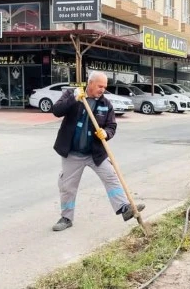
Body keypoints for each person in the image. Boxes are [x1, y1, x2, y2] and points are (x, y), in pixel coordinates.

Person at [51, 71, 145, 231]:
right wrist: (74, 98)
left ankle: (124, 208)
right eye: (100, 86)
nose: (103, 89)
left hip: (95, 153)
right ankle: (66, 218)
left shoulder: (105, 104)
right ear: (91, 83)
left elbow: (112, 126)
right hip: (72, 153)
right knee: (67, 186)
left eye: (105, 87)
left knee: (111, 177)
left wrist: (106, 133)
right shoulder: (71, 94)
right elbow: (56, 110)